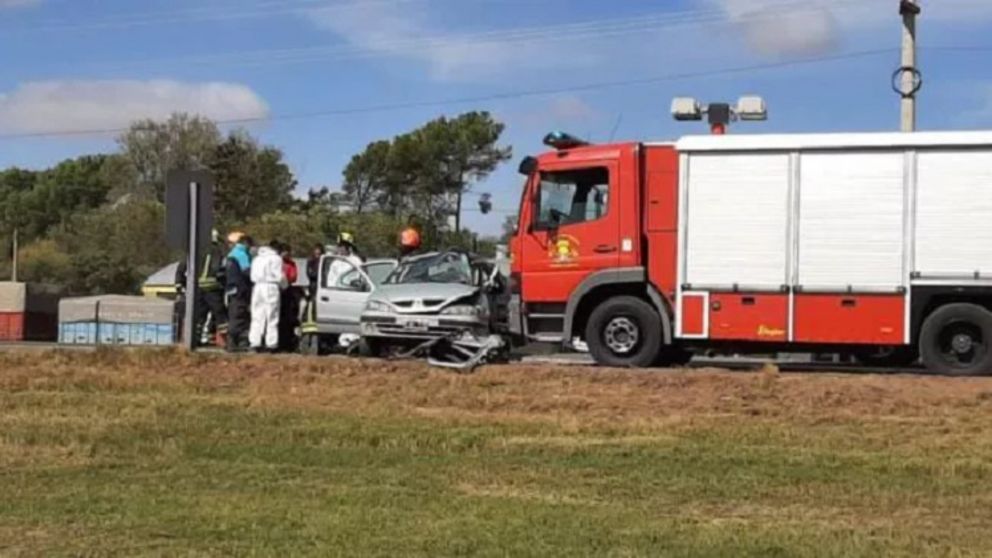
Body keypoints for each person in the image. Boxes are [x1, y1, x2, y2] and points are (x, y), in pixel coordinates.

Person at [174, 229, 229, 347]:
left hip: (197, 288)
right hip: (212, 288)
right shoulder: (217, 251)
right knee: (220, 315)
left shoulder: (194, 250)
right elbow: (219, 268)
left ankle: (195, 340)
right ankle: (225, 341)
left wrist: (179, 285)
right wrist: (223, 283)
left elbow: (181, 268)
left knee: (199, 315)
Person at [249, 240, 287, 353]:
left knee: (257, 315)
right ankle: (271, 343)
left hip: (257, 286)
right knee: (272, 316)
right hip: (271, 286)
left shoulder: (257, 258)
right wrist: (285, 286)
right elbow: (279, 275)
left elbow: (252, 275)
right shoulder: (276, 258)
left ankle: (255, 342)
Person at [225, 233, 253, 352]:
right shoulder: (241, 254)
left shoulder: (230, 255)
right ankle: (235, 343)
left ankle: (232, 342)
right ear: (245, 243)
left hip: (231, 289)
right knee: (239, 315)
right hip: (241, 290)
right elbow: (247, 271)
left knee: (233, 314)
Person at [277, 242, 300, 351]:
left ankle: (286, 342)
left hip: (287, 290)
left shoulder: (291, 264)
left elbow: (294, 276)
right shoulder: (276, 262)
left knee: (287, 318)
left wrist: (287, 279)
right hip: (276, 290)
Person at [300, 244, 325, 338]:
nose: (317, 254)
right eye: (316, 252)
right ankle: (309, 329)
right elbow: (310, 274)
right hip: (313, 286)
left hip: (321, 286)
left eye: (319, 252)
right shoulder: (311, 261)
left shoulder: (323, 261)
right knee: (311, 307)